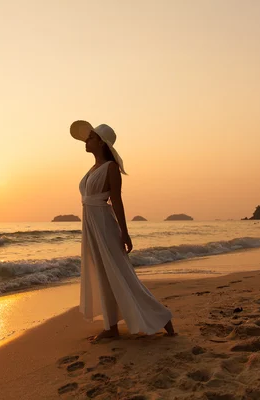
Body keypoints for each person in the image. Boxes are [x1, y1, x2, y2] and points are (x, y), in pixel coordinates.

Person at [70, 120, 175, 342]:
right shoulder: (92, 169)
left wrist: (125, 233)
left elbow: (116, 201)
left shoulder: (110, 168)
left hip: (105, 225)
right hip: (91, 225)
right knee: (103, 274)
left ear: (101, 142)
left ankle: (161, 316)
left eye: (90, 137)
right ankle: (111, 326)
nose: (86, 141)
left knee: (120, 273)